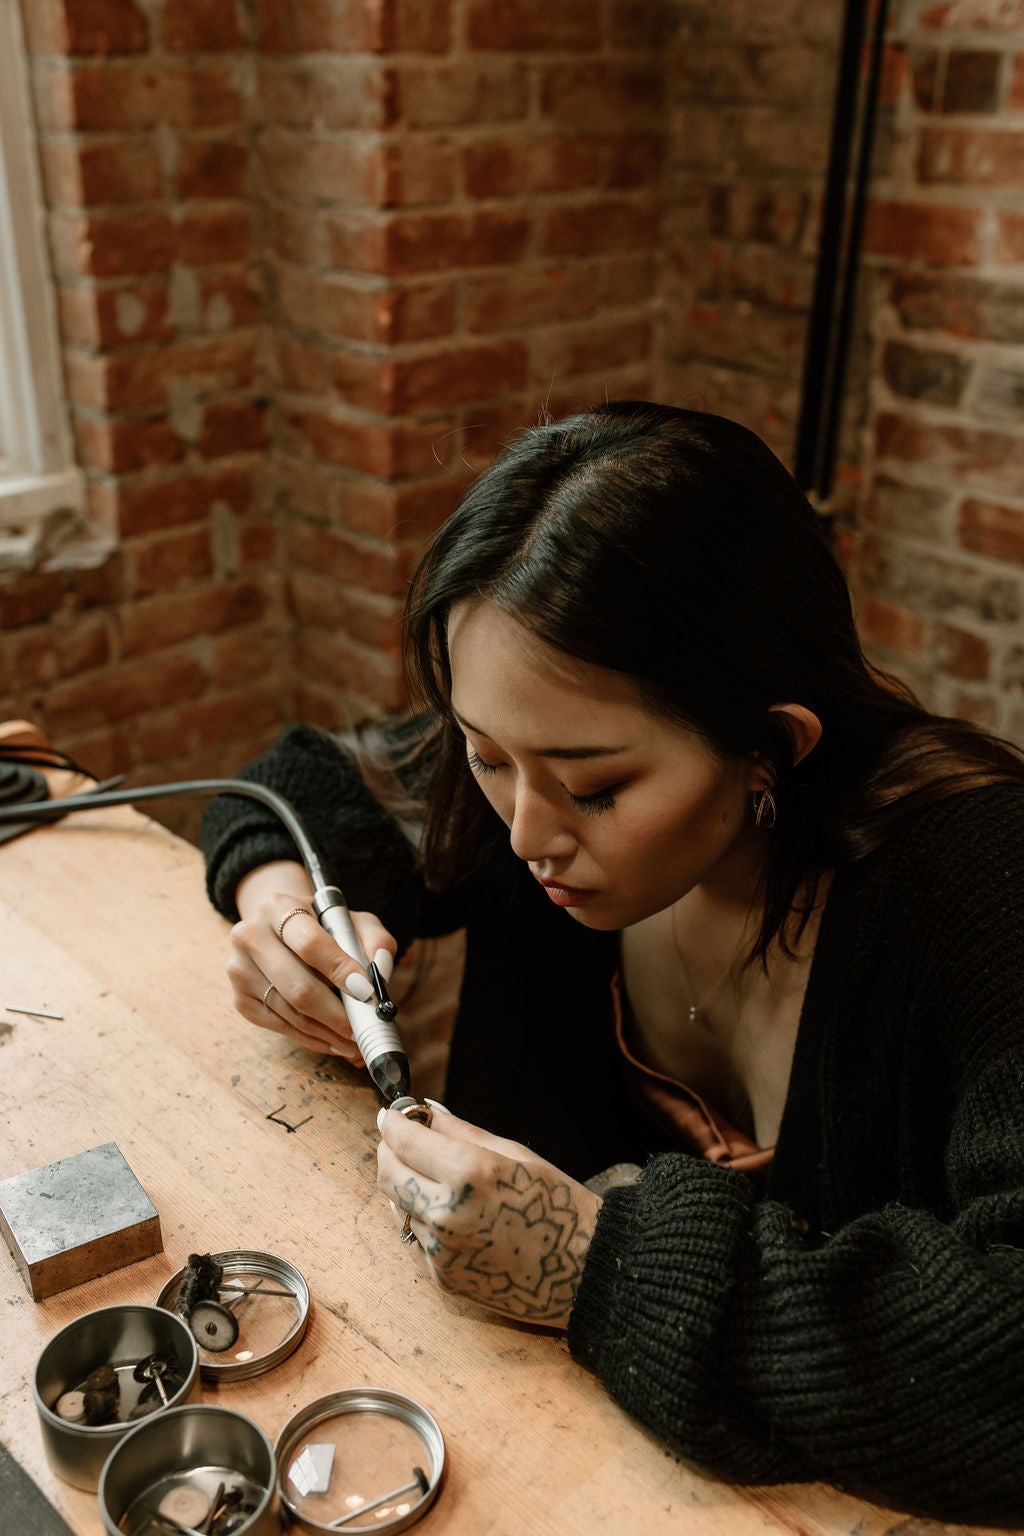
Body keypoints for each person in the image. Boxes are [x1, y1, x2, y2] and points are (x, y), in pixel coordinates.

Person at [201, 401, 1024, 1522]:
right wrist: (283, 901)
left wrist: (598, 1264)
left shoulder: (981, 887)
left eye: (595, 788)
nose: (527, 831)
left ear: (769, 748)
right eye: (487, 756)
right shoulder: (531, 763)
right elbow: (303, 780)